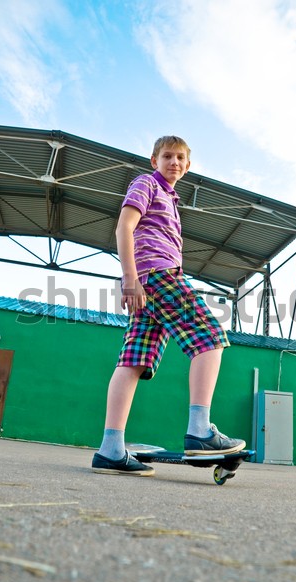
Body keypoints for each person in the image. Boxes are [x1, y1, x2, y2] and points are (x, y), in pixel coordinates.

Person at [92, 136, 246, 476]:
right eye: (167, 156)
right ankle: (201, 430)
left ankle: (110, 448)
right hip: (157, 276)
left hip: (149, 284)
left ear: (187, 166)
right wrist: (129, 279)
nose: (173, 162)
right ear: (154, 160)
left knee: (133, 360)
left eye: (180, 158)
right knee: (210, 336)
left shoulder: (171, 198)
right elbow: (124, 227)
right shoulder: (146, 183)